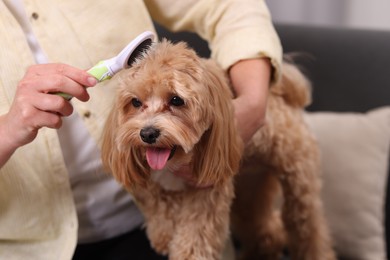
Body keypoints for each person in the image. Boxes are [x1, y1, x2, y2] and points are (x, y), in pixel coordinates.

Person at [0, 0, 282, 259]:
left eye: (173, 101)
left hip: (155, 215)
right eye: (137, 103)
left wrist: (254, 103)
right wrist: (8, 130)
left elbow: (226, 6)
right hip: (25, 247)